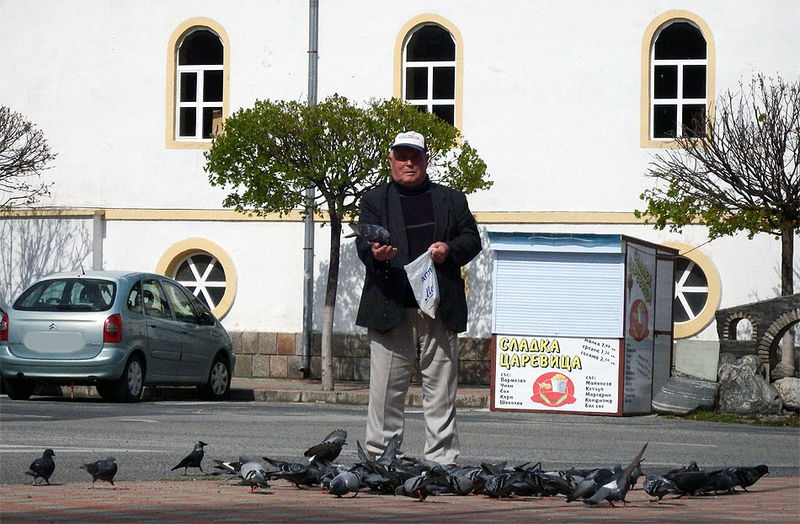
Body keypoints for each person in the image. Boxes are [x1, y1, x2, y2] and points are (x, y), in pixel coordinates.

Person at [354, 130, 482, 465]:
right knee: (385, 393)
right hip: (390, 307)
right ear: (391, 160)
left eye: (415, 157)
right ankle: (381, 459)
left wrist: (448, 249)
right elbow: (363, 244)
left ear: (426, 160)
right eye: (402, 157)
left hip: (438, 310)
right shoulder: (374, 200)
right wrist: (376, 254)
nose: (408, 163)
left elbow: (472, 239)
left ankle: (442, 461)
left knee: (441, 392)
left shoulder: (451, 199)